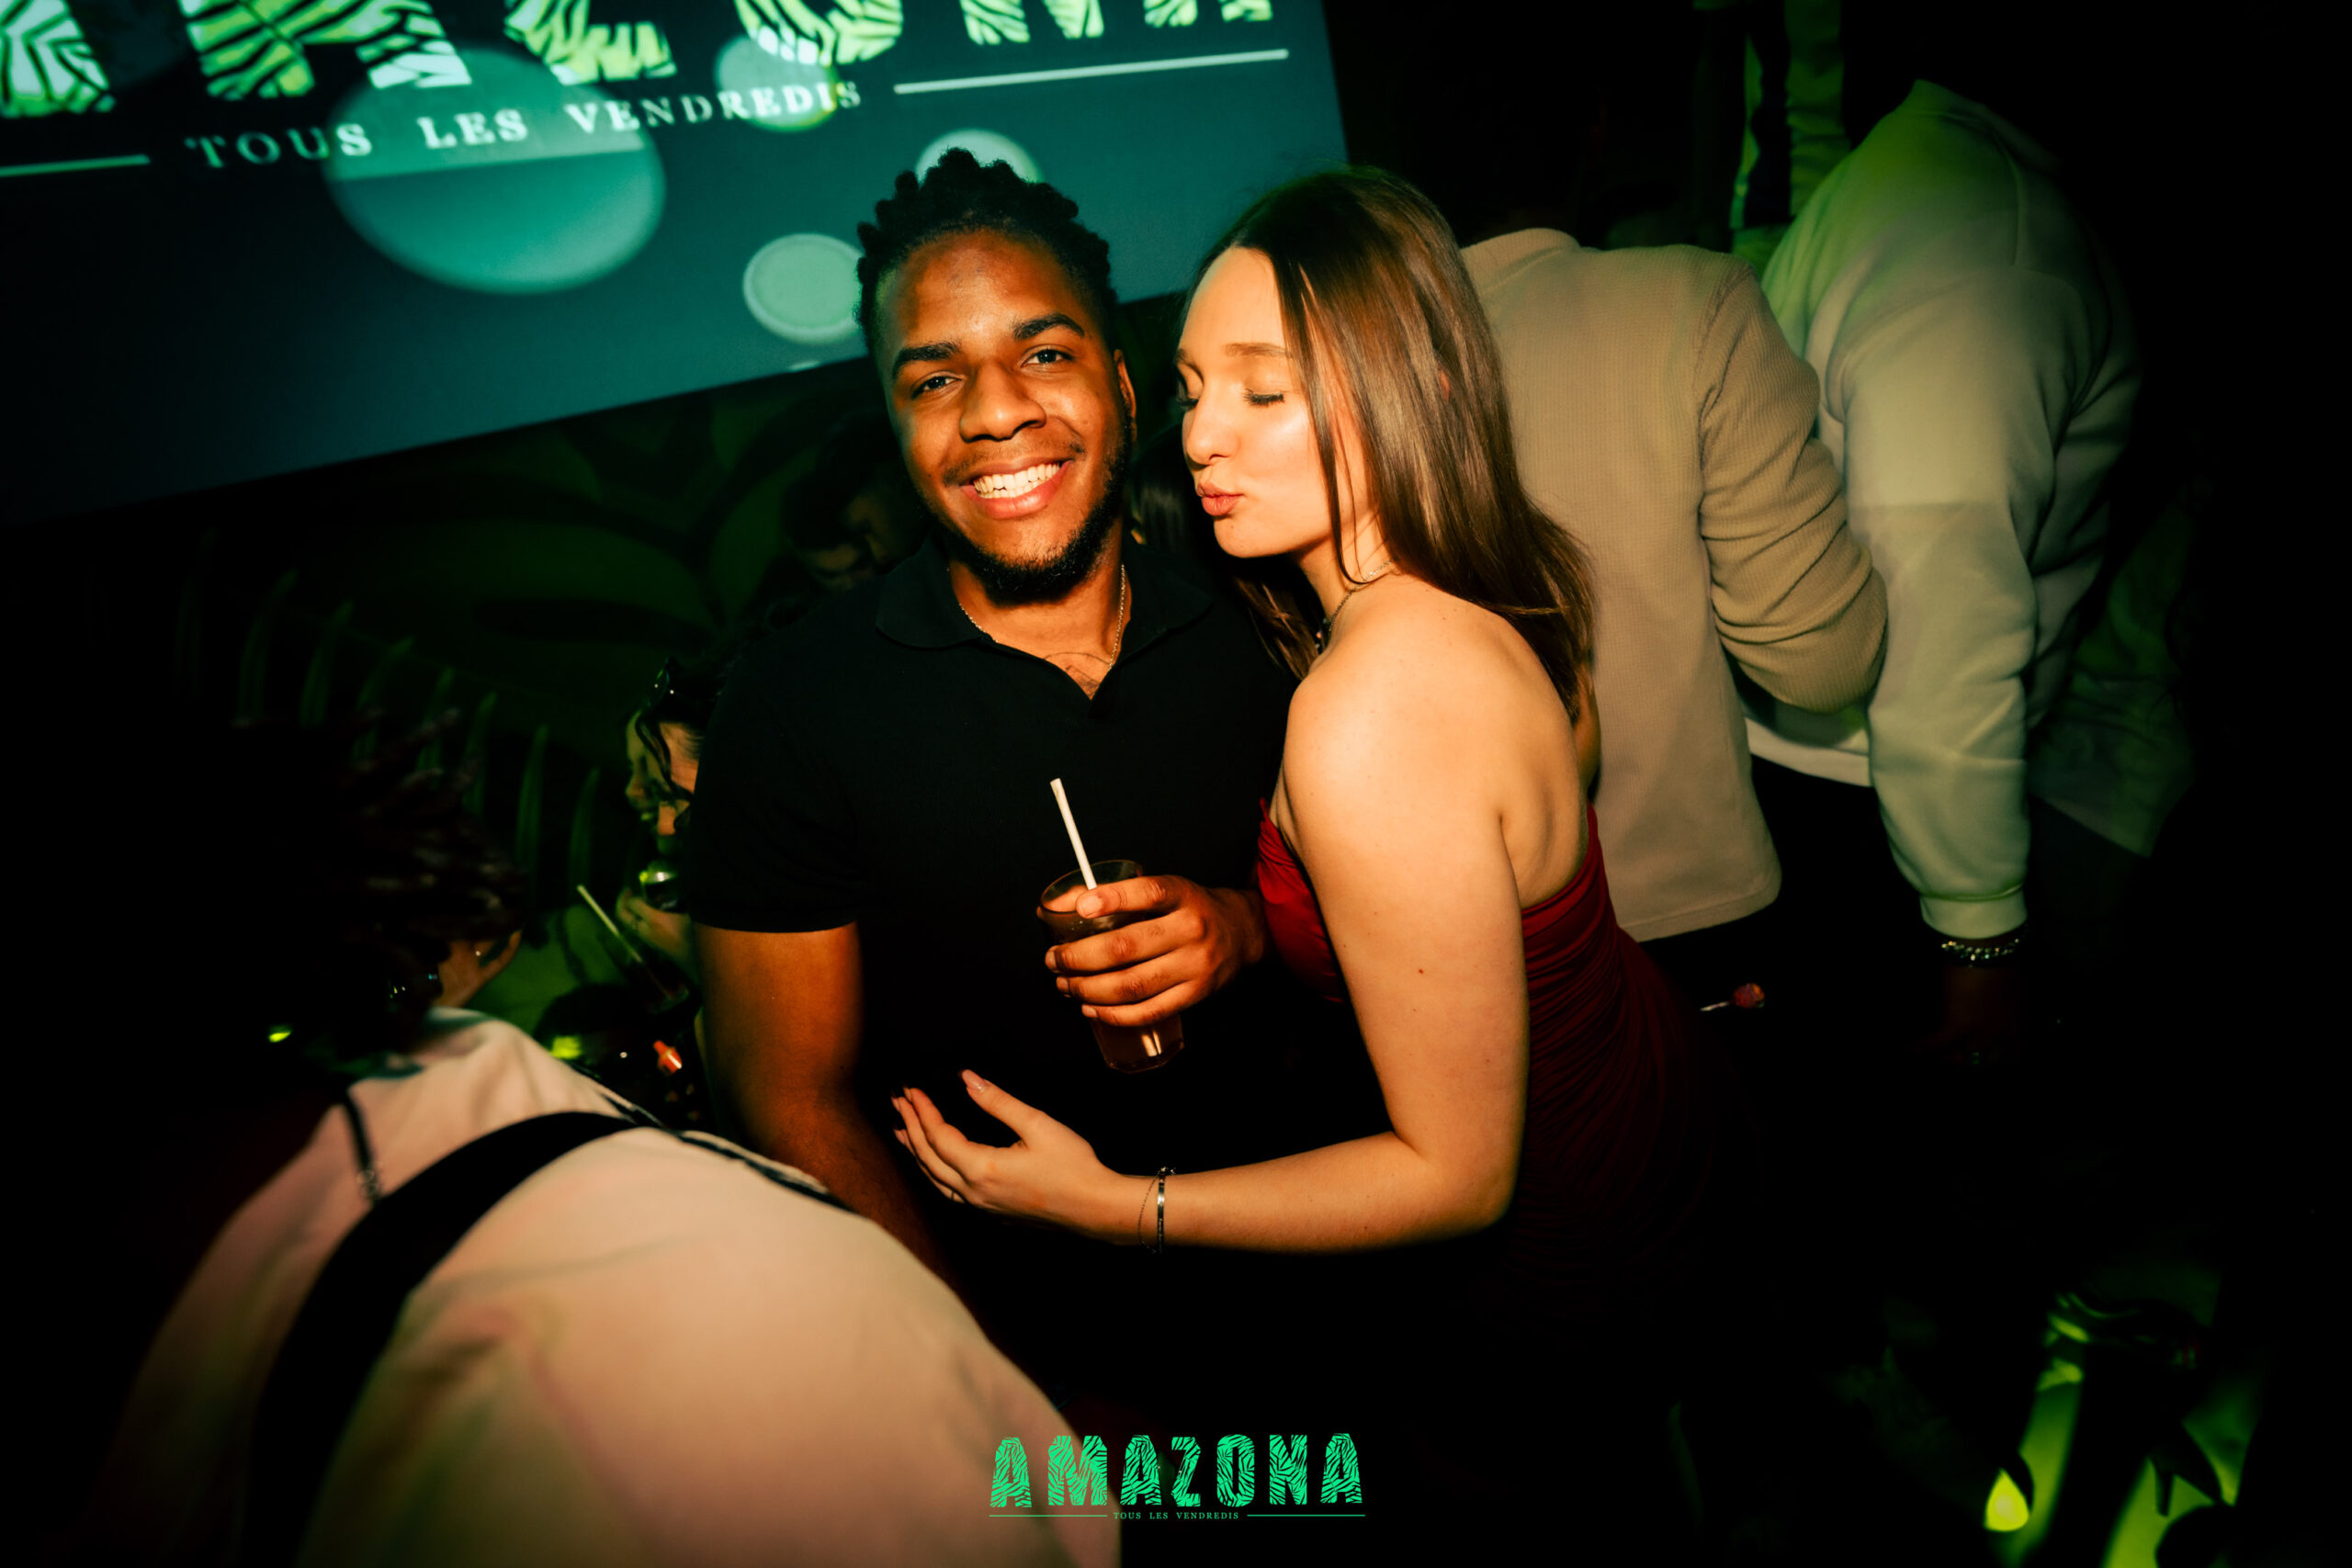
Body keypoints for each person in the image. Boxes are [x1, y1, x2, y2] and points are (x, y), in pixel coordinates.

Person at [888, 169, 1734, 1541]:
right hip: (1645, 1114)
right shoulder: (1492, 584)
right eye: (1191, 387)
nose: (1201, 435)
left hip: (1552, 1250)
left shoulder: (1366, 712)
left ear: (1407, 388)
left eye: (1263, 391)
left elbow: (1457, 1175)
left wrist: (1111, 1204)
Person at [61, 718, 1109, 1568]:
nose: (656, 819)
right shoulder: (474, 1130)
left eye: (681, 790)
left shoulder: (605, 1426)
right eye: (646, 792)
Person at [682, 152, 1335, 1416]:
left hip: (1314, 1287)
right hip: (1019, 1344)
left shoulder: (1261, 626)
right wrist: (996, 1388)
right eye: (935, 379)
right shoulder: (794, 707)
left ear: (1124, 383)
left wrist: (1245, 928)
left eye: (1043, 353)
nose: (992, 412)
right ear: (894, 426)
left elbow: (1396, 952)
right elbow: (784, 1095)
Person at [1747, 75, 2140, 1064]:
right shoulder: (1991, 244)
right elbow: (1934, 631)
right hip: (1877, 811)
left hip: (1838, 790)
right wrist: (1979, 931)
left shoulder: (1910, 168)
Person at [1463, 220, 1885, 992]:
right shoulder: (1691, 303)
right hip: (1680, 912)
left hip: (1437, 928)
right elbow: (1821, 661)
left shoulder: (1342, 343)